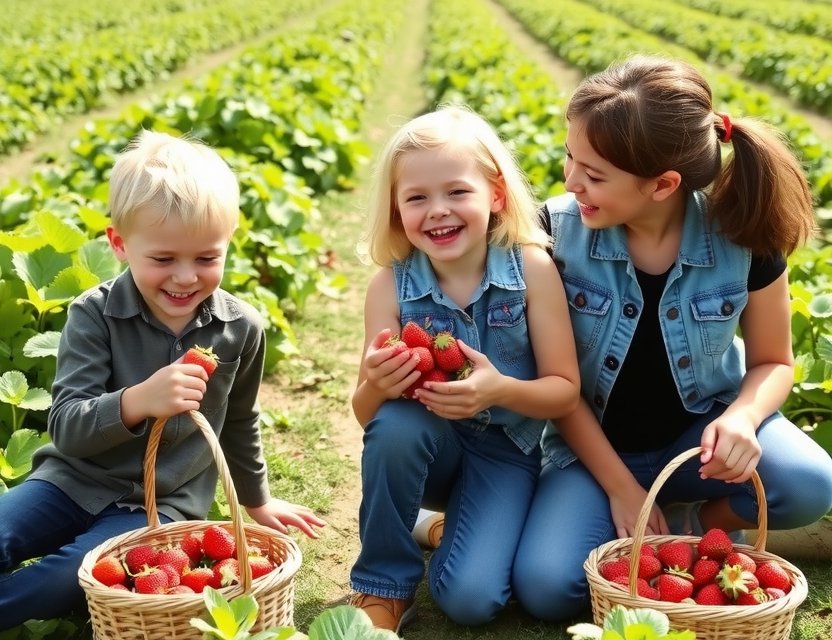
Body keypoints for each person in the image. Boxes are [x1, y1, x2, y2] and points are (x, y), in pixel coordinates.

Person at [512, 54, 832, 622]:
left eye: (594, 173)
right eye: (570, 157)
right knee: (547, 588)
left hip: (699, 443)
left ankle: (690, 529)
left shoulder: (743, 235)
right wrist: (621, 488)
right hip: (594, 448)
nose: (570, 181)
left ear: (663, 184)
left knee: (809, 484)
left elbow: (773, 362)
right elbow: (555, 384)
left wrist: (740, 418)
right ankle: (628, 516)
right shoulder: (553, 236)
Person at [0, 130, 325, 629]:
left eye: (206, 258)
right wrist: (136, 400)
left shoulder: (240, 329)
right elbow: (66, 426)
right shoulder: (94, 314)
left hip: (161, 508)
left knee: (69, 576)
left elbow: (238, 423)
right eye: (163, 259)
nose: (185, 277)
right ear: (120, 245)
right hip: (69, 480)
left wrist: (257, 501)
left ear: (227, 246)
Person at [348, 105, 581, 633]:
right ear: (395, 209)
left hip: (506, 450)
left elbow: (564, 392)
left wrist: (498, 390)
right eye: (416, 198)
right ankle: (382, 588)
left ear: (495, 195)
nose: (438, 211)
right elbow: (367, 417)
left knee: (472, 601)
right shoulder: (390, 286)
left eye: (457, 192)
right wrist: (377, 384)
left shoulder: (532, 271)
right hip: (429, 449)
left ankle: (434, 527)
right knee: (397, 425)